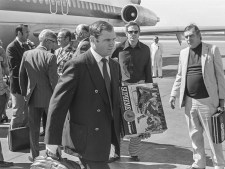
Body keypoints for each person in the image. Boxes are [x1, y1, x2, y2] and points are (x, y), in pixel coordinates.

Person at [45, 21, 121, 169]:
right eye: (107, 40)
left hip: (108, 138)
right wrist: (52, 142)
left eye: (113, 39)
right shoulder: (77, 65)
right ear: (92, 40)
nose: (112, 44)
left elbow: (113, 103)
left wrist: (133, 128)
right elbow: (58, 104)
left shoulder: (114, 65)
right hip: (86, 140)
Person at [169, 24, 225, 169]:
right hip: (189, 100)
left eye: (191, 36)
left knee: (213, 137)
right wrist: (173, 94)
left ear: (199, 35)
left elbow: (220, 77)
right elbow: (180, 75)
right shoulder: (183, 53)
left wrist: (221, 100)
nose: (188, 39)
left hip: (208, 101)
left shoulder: (212, 50)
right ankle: (199, 163)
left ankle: (219, 165)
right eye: (186, 36)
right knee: (194, 135)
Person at [111, 21, 152, 162]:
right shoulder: (118, 49)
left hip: (140, 89)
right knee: (119, 121)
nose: (133, 34)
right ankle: (115, 152)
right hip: (122, 88)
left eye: (136, 31)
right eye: (130, 32)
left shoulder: (146, 49)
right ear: (126, 33)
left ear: (139, 33)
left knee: (138, 122)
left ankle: (133, 153)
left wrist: (149, 92)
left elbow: (148, 72)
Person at [19, 29, 58, 161]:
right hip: (49, 98)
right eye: (53, 42)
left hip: (32, 96)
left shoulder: (26, 54)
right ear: (47, 41)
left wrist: (25, 93)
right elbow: (54, 81)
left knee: (34, 129)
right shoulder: (51, 57)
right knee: (51, 128)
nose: (54, 45)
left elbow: (22, 76)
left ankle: (35, 156)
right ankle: (52, 155)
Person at [6, 24, 32, 129]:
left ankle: (23, 140)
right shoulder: (11, 47)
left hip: (27, 86)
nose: (28, 34)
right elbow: (15, 67)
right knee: (17, 113)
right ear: (19, 33)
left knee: (27, 114)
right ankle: (13, 140)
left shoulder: (26, 46)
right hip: (18, 86)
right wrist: (31, 69)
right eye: (26, 32)